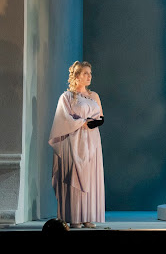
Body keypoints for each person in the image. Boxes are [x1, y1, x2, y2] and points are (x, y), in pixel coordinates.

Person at [48, 61, 105, 228]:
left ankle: (87, 216)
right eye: (85, 73)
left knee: (90, 176)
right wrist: (82, 123)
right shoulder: (67, 97)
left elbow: (101, 117)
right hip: (73, 140)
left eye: (90, 73)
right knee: (74, 175)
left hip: (92, 140)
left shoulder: (94, 96)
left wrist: (92, 123)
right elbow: (63, 119)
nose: (89, 76)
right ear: (77, 76)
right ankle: (74, 217)